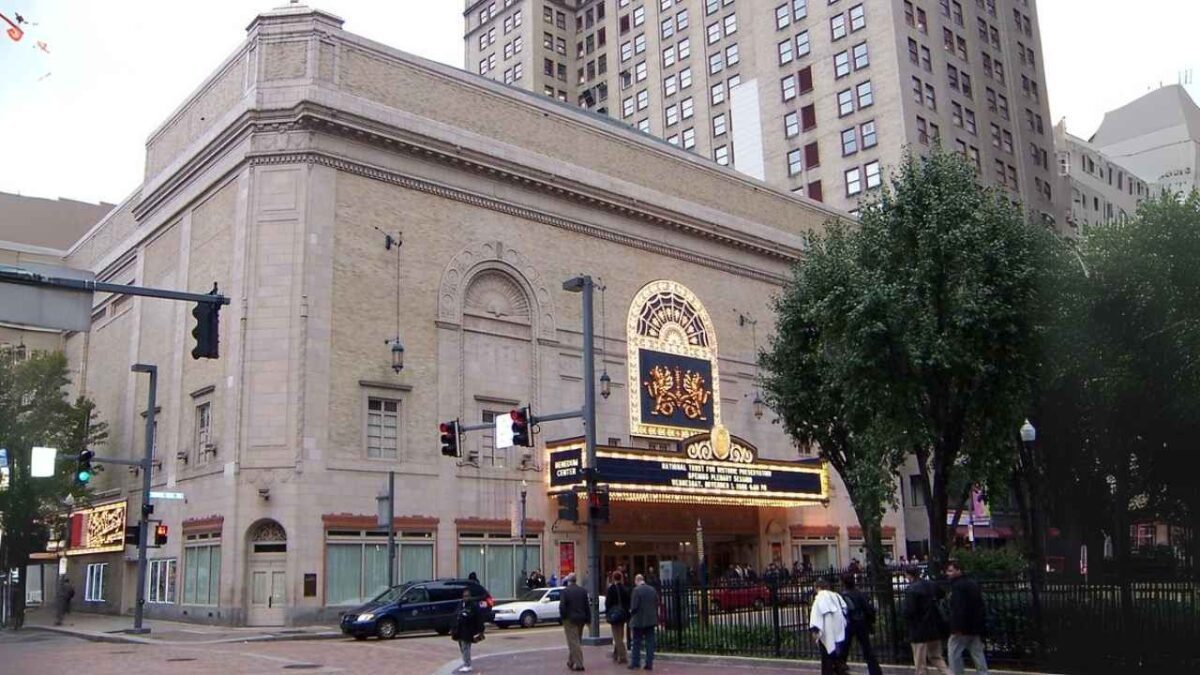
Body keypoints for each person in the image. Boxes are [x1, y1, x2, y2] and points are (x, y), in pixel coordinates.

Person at [903, 568, 952, 675]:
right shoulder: (932, 585)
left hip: (918, 630)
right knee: (936, 657)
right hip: (934, 627)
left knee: (920, 663)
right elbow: (942, 594)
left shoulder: (911, 590)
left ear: (908, 575)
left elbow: (909, 611)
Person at [946, 561, 989, 674]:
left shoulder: (957, 587)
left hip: (962, 628)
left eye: (951, 571)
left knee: (954, 652)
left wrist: (956, 627)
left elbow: (958, 608)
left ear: (958, 570)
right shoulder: (972, 583)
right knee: (977, 652)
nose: (948, 573)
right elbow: (980, 605)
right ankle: (983, 673)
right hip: (974, 626)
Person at [840, 574, 883, 675]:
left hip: (848, 624)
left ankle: (840, 669)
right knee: (867, 649)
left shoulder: (842, 596)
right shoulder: (860, 594)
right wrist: (870, 622)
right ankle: (875, 671)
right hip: (861, 623)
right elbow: (869, 609)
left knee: (844, 649)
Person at [809, 577, 849, 675]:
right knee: (836, 656)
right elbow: (845, 609)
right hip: (839, 631)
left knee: (826, 658)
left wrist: (815, 631)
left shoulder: (818, 599)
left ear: (817, 587)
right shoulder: (836, 596)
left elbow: (815, 617)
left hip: (826, 632)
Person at [559, 573, 590, 671]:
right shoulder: (582, 591)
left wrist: (563, 617)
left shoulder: (565, 591)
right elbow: (586, 606)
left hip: (570, 619)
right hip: (581, 618)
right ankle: (571, 661)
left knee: (573, 641)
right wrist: (588, 619)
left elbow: (562, 606)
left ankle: (579, 664)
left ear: (568, 580)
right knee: (576, 640)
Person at [628, 573, 659, 671]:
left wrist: (631, 613)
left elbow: (634, 607)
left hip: (639, 621)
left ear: (637, 581)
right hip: (651, 620)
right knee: (650, 642)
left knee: (636, 642)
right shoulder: (652, 589)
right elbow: (656, 602)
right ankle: (649, 663)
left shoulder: (636, 591)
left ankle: (635, 662)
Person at [450, 588, 485, 673]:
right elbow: (456, 615)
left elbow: (478, 618)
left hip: (468, 630)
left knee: (466, 647)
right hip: (460, 629)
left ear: (470, 596)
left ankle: (467, 664)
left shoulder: (473, 605)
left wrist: (480, 630)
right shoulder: (461, 604)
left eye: (467, 596)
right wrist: (453, 628)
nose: (465, 598)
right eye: (464, 596)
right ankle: (466, 662)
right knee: (462, 647)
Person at [606, 570, 632, 664]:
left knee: (617, 636)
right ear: (621, 578)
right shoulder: (625, 589)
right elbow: (628, 602)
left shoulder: (611, 589)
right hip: (623, 614)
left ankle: (622, 656)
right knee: (620, 634)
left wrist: (608, 612)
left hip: (614, 614)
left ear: (613, 578)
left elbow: (608, 603)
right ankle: (616, 653)